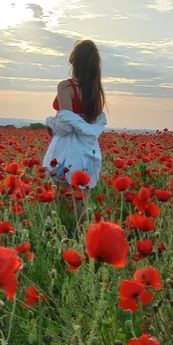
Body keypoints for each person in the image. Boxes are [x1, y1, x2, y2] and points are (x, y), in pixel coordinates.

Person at [43, 40, 107, 217]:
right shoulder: (95, 90)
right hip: (88, 148)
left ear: (73, 60)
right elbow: (88, 123)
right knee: (81, 195)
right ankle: (84, 235)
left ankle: (63, 231)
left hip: (66, 148)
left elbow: (65, 127)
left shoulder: (66, 86)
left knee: (60, 193)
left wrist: (49, 122)